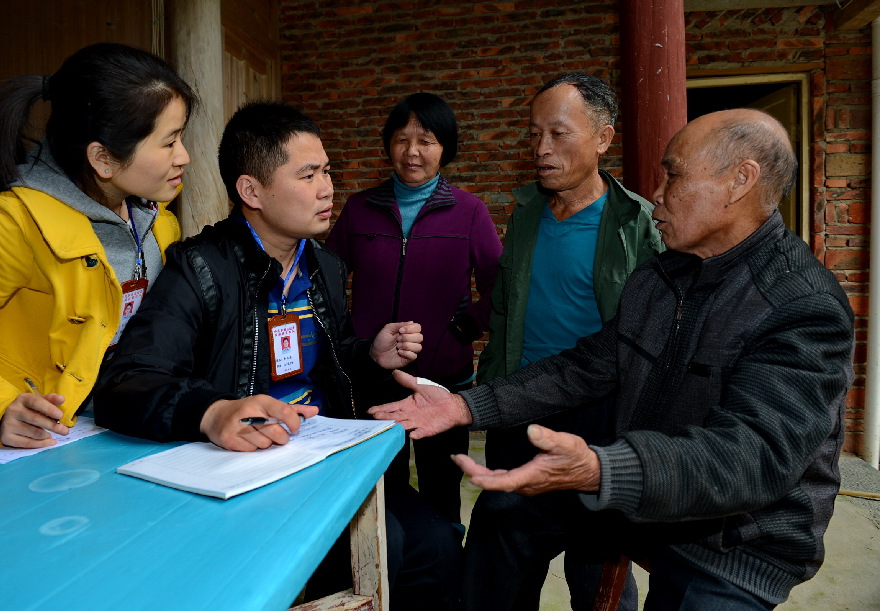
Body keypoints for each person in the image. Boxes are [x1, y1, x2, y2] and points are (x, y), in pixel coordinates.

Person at [370, 109, 855, 610]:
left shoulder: (802, 307)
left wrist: (603, 469)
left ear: (739, 181)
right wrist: (466, 406)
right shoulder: (662, 277)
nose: (659, 194)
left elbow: (752, 456)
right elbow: (586, 367)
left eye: (674, 174)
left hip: (730, 539)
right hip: (641, 493)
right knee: (504, 511)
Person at [95, 101, 462, 610]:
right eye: (307, 174)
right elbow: (127, 381)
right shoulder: (200, 269)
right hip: (247, 466)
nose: (327, 187)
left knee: (440, 542)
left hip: (322, 454)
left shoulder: (325, 267)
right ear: (251, 191)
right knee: (388, 547)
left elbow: (325, 364)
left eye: (327, 171)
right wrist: (213, 411)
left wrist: (370, 357)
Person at [476, 72, 662, 608]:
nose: (541, 149)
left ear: (602, 138)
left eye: (558, 134)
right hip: (519, 416)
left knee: (598, 580)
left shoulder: (638, 225)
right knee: (497, 575)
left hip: (600, 424)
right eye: (534, 135)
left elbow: (654, 339)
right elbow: (505, 313)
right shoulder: (527, 214)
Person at [0, 43, 195, 448]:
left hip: (130, 427)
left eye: (181, 137)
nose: (184, 156)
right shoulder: (9, 223)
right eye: (168, 142)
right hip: (42, 444)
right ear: (103, 158)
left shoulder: (161, 224)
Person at [326, 92, 502, 524]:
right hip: (372, 376)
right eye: (402, 139)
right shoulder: (360, 209)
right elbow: (324, 278)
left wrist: (464, 330)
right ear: (388, 144)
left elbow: (502, 287)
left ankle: (444, 579)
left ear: (445, 147)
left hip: (441, 381)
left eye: (426, 140)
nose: (412, 151)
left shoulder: (469, 212)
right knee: (380, 492)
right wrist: (351, 336)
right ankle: (393, 574)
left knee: (443, 489)